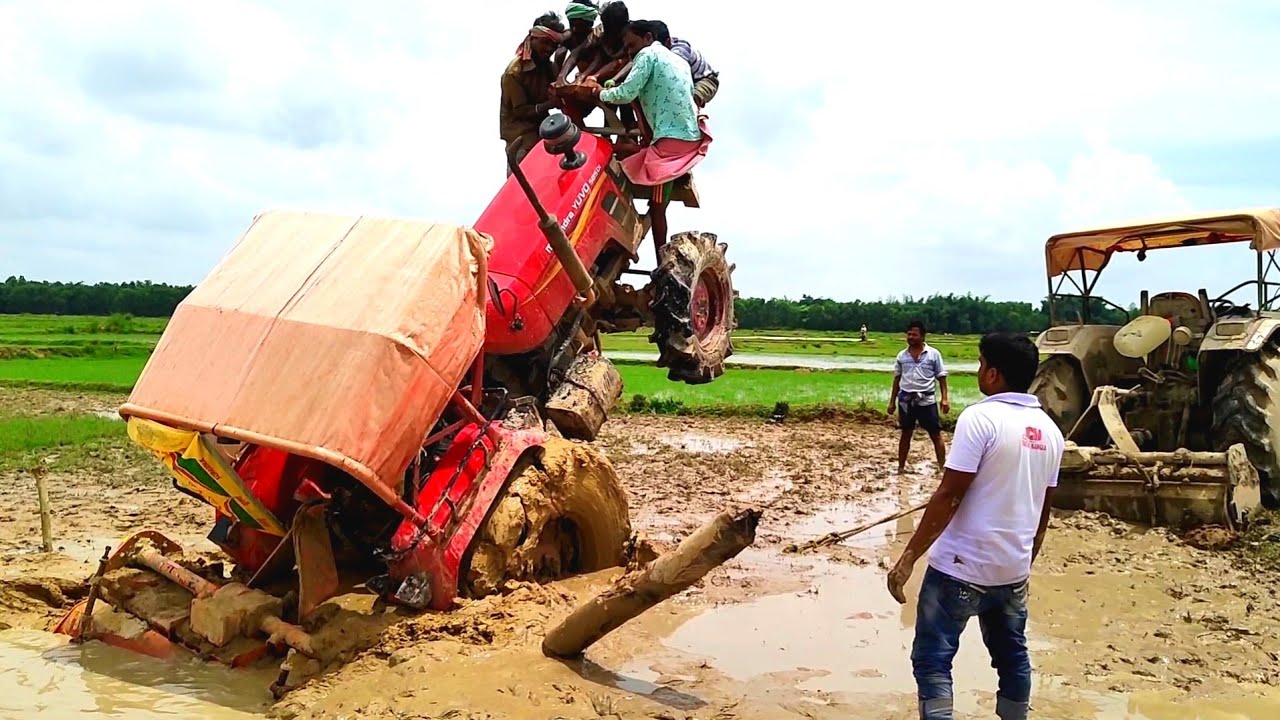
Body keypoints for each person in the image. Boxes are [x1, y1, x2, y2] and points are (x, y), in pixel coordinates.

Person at [886, 332, 1064, 720]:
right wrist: (1024, 562)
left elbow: (949, 495)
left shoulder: (981, 418)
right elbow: (1044, 509)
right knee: (1013, 655)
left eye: (982, 364)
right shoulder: (1051, 431)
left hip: (961, 569)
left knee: (933, 659)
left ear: (995, 374)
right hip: (1012, 571)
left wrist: (908, 558)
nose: (979, 371)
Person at [582, 20, 711, 255]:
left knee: (657, 206)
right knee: (622, 152)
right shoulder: (679, 61)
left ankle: (663, 263)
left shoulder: (648, 55)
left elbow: (626, 93)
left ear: (648, 37)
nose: (630, 52)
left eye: (632, 45)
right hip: (685, 133)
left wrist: (600, 91)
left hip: (672, 144)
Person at [500, 14, 565, 174]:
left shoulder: (547, 65)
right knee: (525, 184)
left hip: (545, 131)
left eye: (553, 45)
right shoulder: (514, 73)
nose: (549, 49)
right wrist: (551, 104)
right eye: (545, 43)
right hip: (521, 138)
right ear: (532, 38)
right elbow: (520, 111)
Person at [888, 320, 950, 473]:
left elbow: (941, 377)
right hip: (906, 401)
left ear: (923, 336)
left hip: (927, 401)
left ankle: (942, 468)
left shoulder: (933, 354)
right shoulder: (902, 356)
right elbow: (897, 379)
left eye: (914, 334)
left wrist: (944, 398)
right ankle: (901, 467)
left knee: (935, 434)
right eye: (909, 334)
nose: (910, 337)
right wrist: (892, 402)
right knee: (906, 433)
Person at [647, 20, 719, 107]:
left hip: (705, 80)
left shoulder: (680, 50)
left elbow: (672, 72)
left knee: (691, 101)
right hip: (687, 81)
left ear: (668, 42)